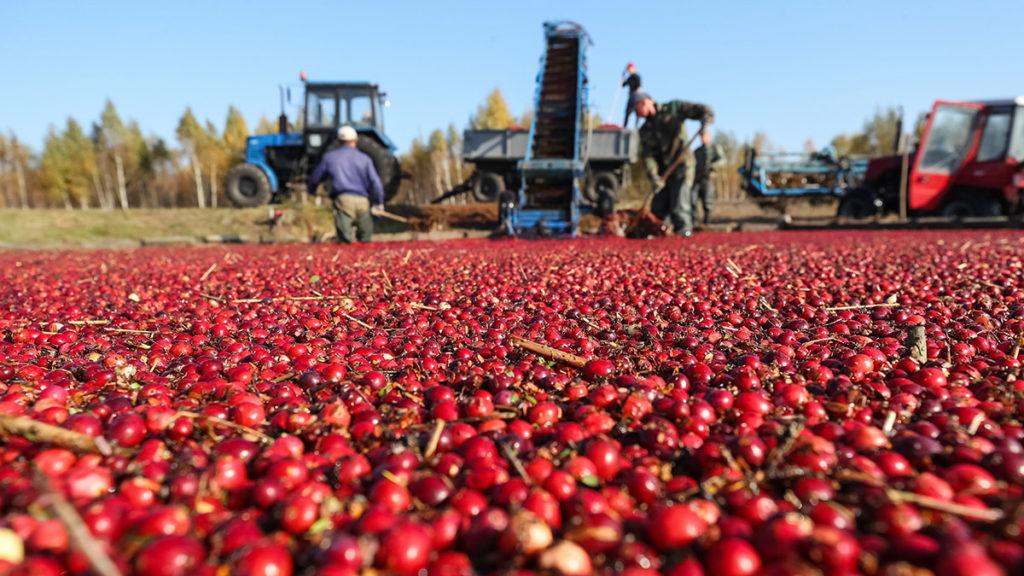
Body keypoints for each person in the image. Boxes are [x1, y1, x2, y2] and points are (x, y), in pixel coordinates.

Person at [632, 91, 714, 237]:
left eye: (636, 109)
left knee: (679, 205)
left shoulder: (673, 108)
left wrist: (705, 123)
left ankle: (684, 237)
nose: (637, 114)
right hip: (664, 172)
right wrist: (654, 176)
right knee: (658, 209)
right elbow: (648, 157)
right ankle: (662, 241)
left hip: (682, 164)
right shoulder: (644, 130)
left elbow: (704, 110)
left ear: (644, 102)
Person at [307, 126, 385, 243]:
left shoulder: (329, 158)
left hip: (343, 202)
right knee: (366, 242)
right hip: (363, 203)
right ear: (355, 140)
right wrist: (379, 202)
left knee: (345, 243)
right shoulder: (365, 159)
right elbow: (376, 182)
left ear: (339, 141)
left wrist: (311, 190)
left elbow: (315, 178)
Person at [693, 130, 725, 225]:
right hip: (697, 178)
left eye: (704, 136)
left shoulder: (715, 148)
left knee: (707, 200)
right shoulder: (697, 151)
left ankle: (707, 221)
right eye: (701, 136)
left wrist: (712, 165)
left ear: (709, 136)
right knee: (693, 199)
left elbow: (722, 160)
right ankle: (695, 222)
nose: (703, 138)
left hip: (708, 178)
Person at [622, 63, 642, 127]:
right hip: (631, 96)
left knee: (637, 111)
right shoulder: (629, 78)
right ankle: (625, 126)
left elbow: (639, 87)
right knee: (627, 112)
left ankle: (636, 126)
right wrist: (623, 78)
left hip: (636, 95)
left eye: (629, 69)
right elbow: (623, 85)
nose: (628, 71)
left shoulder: (637, 76)